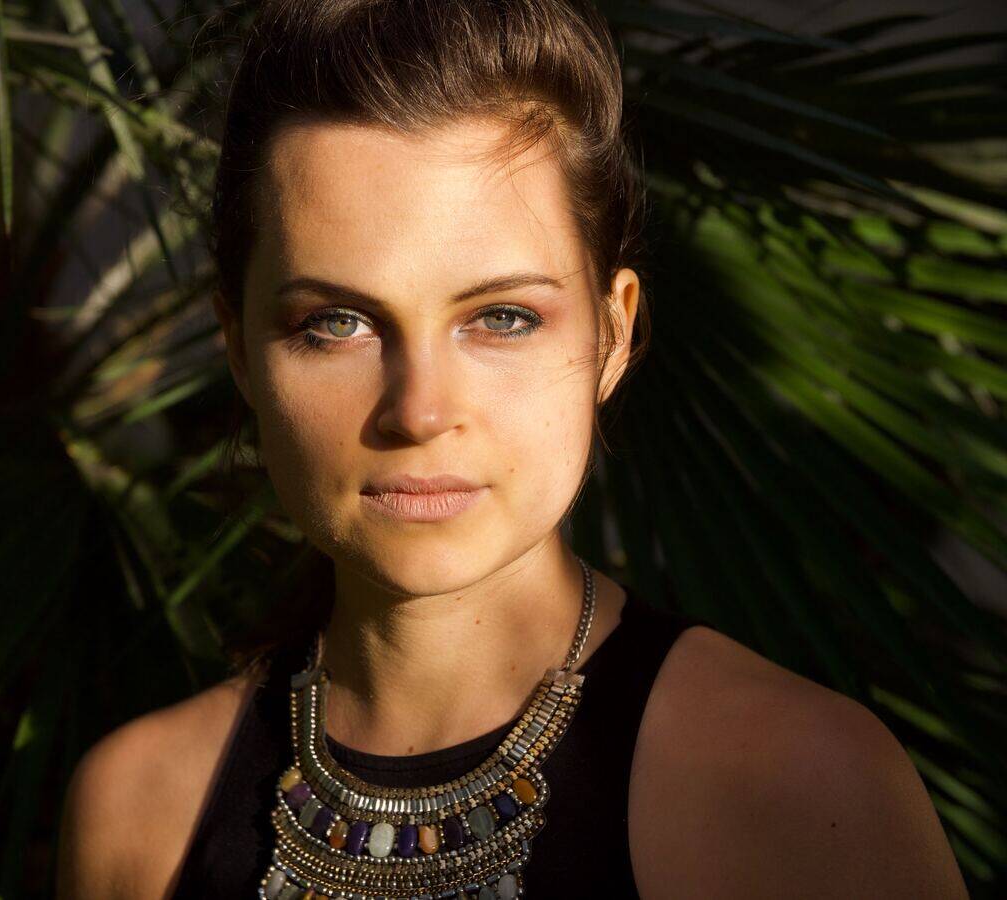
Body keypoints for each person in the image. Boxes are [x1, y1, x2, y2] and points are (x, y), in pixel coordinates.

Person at [55, 1, 968, 897]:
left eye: (502, 318)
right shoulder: (138, 811)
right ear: (241, 350)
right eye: (336, 322)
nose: (418, 411)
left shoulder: (796, 792)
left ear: (613, 337)